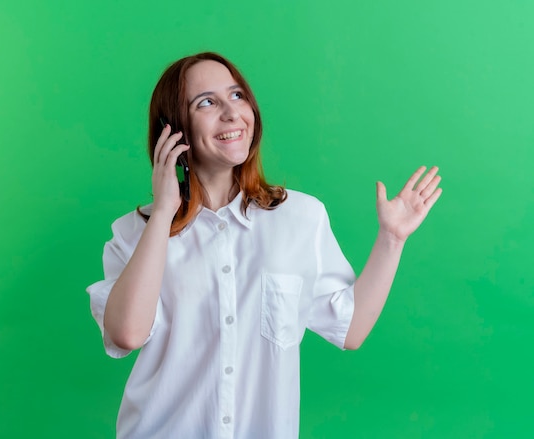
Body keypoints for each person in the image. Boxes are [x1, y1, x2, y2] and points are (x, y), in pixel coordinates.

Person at [86, 52, 442, 439]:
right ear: (175, 131)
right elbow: (126, 334)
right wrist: (163, 213)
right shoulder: (134, 232)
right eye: (206, 102)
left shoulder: (301, 217)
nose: (231, 113)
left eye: (237, 95)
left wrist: (392, 239)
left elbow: (350, 329)